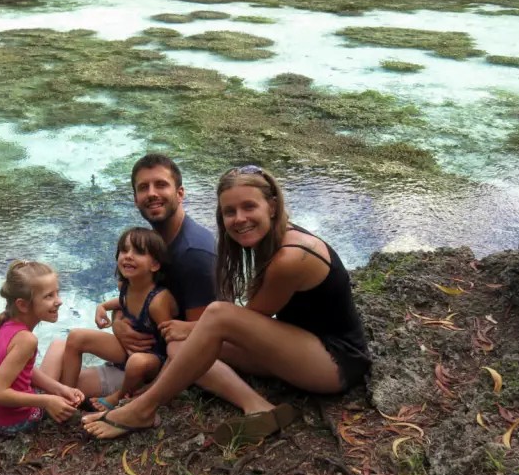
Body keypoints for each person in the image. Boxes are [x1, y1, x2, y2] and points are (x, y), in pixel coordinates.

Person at [83, 165, 371, 443]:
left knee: (215, 316)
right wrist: (185, 330)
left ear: (271, 205)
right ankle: (258, 406)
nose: (239, 218)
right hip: (299, 346)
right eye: (229, 211)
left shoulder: (292, 257)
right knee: (180, 346)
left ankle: (142, 409)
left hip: (335, 363)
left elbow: (244, 319)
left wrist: (193, 326)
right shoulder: (271, 238)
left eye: (249, 207)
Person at [39, 154, 216, 400]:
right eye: (144, 187)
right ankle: (40, 400)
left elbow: (198, 337)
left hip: (156, 362)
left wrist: (150, 391)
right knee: (63, 353)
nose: (152, 193)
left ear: (180, 193)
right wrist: (119, 323)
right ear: (135, 199)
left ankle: (36, 404)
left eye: (161, 184)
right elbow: (131, 296)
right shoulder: (155, 244)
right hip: (132, 349)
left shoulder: (194, 254)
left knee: (55, 382)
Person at [59, 227, 178, 411]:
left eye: (138, 252)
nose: (128, 256)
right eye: (124, 250)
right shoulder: (125, 285)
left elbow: (173, 345)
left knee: (136, 362)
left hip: (153, 360)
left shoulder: (158, 301)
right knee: (76, 336)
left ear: (154, 265)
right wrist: (103, 307)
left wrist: (157, 385)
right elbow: (123, 301)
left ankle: (117, 396)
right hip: (127, 350)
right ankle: (66, 396)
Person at [0, 260, 85, 436]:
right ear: (22, 305)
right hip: (13, 423)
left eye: (57, 293)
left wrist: (60, 389)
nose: (59, 301)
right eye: (49, 296)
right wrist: (48, 401)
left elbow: (19, 369)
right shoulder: (26, 340)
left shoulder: (3, 322)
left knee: (59, 345)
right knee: (63, 408)